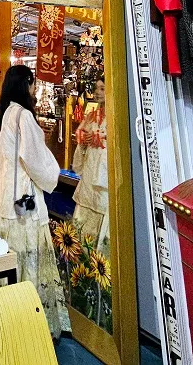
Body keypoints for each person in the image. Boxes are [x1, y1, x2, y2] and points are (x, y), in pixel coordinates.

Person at [0, 65, 70, 338]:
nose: (35, 89)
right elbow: (36, 161)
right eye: (33, 84)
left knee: (2, 260)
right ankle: (26, 326)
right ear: (27, 85)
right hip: (23, 202)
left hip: (1, 199)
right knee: (27, 262)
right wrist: (53, 175)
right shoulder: (23, 117)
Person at [72, 77, 109, 255]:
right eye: (96, 89)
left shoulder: (117, 117)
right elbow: (81, 135)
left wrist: (98, 139)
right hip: (90, 173)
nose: (97, 92)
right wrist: (83, 140)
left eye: (102, 89)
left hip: (104, 177)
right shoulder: (92, 115)